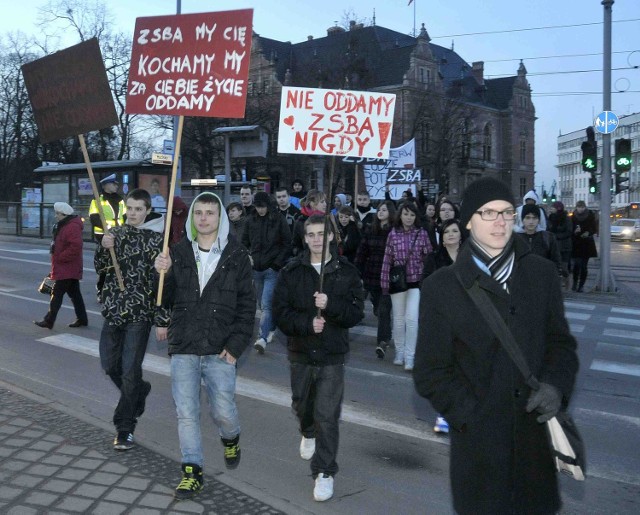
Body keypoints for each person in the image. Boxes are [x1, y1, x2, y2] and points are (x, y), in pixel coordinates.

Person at [414, 177, 579, 515]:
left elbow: (561, 346)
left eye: (506, 212)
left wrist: (555, 387)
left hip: (535, 448)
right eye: (488, 213)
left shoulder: (541, 273)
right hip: (479, 455)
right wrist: (472, 419)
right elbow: (430, 372)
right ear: (468, 222)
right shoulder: (440, 288)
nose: (500, 222)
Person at [154, 192, 255, 500]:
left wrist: (236, 345)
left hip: (220, 347)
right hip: (184, 344)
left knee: (224, 411)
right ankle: (192, 471)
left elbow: (247, 306)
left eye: (210, 213)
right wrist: (163, 272)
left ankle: (231, 437)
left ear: (220, 217)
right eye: (198, 213)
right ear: (193, 217)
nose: (203, 218)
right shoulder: (178, 252)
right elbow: (164, 296)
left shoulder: (237, 256)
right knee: (186, 412)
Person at [273, 215, 365, 502]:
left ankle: (325, 471)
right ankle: (306, 429)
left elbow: (355, 313)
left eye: (320, 234)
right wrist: (306, 324)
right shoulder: (291, 271)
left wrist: (331, 305)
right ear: (304, 238)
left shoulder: (346, 271)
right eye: (309, 234)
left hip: (332, 354)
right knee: (302, 404)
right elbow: (280, 313)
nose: (315, 239)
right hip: (300, 351)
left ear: (330, 237)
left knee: (328, 414)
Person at [95, 188, 170, 451]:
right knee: (109, 365)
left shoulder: (156, 241)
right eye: (130, 208)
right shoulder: (115, 234)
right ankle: (139, 391)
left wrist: (162, 318)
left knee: (129, 370)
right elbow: (101, 268)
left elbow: (164, 285)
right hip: (114, 310)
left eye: (139, 209)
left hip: (140, 314)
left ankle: (124, 427)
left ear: (148, 211)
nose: (134, 213)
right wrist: (104, 249)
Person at [422, 218, 464, 434]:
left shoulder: (472, 258)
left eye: (454, 231)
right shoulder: (434, 258)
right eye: (446, 231)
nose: (450, 235)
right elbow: (426, 285)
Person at [380, 201, 432, 370]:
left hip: (415, 282)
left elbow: (429, 256)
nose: (409, 218)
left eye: (412, 214)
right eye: (405, 214)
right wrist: (384, 283)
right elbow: (387, 259)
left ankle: (410, 356)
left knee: (411, 320)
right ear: (400, 215)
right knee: (399, 320)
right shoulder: (393, 234)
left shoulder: (422, 233)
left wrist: (424, 272)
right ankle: (400, 352)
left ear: (416, 217)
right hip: (397, 282)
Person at [242, 191, 292, 353]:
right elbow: (244, 242)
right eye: (257, 207)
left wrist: (276, 264)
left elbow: (287, 243)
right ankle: (271, 327)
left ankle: (262, 338)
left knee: (266, 305)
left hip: (272, 269)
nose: (260, 210)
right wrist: (248, 257)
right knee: (262, 304)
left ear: (268, 206)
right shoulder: (250, 220)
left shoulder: (278, 220)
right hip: (256, 268)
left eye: (262, 207)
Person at [34, 202, 88, 330]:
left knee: (56, 293)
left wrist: (60, 257)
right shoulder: (65, 224)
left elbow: (76, 246)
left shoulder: (71, 226)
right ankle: (82, 319)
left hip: (67, 267)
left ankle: (49, 320)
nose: (56, 216)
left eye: (58, 214)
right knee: (75, 295)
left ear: (65, 214)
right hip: (66, 267)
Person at [354, 200, 396, 359]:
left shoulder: (394, 232)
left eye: (384, 210)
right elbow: (362, 251)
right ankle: (386, 330)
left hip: (388, 275)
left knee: (384, 310)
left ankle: (382, 342)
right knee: (378, 309)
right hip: (372, 274)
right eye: (379, 210)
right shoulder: (370, 229)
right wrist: (357, 269)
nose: (380, 212)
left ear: (390, 213)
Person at [89, 173, 125, 302]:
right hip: (103, 236)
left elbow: (124, 216)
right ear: (105, 185)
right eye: (113, 184)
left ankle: (117, 288)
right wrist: (107, 230)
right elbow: (93, 217)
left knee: (118, 264)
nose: (116, 186)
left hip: (119, 235)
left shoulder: (120, 200)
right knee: (105, 265)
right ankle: (101, 289)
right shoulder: (97, 200)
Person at [516, 204, 564, 276]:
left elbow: (556, 261)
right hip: (520, 281)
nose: (531, 221)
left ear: (538, 220)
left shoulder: (548, 238)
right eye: (528, 218)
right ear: (522, 219)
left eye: (534, 218)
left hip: (543, 280)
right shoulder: (515, 239)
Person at [571, 200, 598, 292]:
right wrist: (574, 232)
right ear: (576, 207)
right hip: (576, 243)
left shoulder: (590, 215)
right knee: (576, 265)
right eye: (579, 207)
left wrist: (588, 232)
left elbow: (594, 228)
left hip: (587, 243)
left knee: (583, 266)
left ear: (585, 207)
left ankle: (581, 286)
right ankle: (574, 284)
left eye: (582, 207)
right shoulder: (573, 216)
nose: (580, 209)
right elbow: (570, 229)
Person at [292, 189, 328, 256]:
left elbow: (335, 243)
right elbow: (295, 246)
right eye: (322, 202)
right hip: (306, 262)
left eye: (325, 202)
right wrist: (304, 255)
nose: (325, 204)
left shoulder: (329, 219)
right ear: (312, 204)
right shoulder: (300, 222)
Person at [547, 201, 572, 289]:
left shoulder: (566, 218)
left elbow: (569, 231)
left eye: (553, 208)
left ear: (558, 208)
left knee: (564, 267)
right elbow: (548, 229)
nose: (551, 209)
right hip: (554, 246)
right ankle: (556, 284)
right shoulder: (550, 218)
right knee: (554, 266)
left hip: (564, 246)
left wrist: (557, 236)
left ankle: (566, 282)